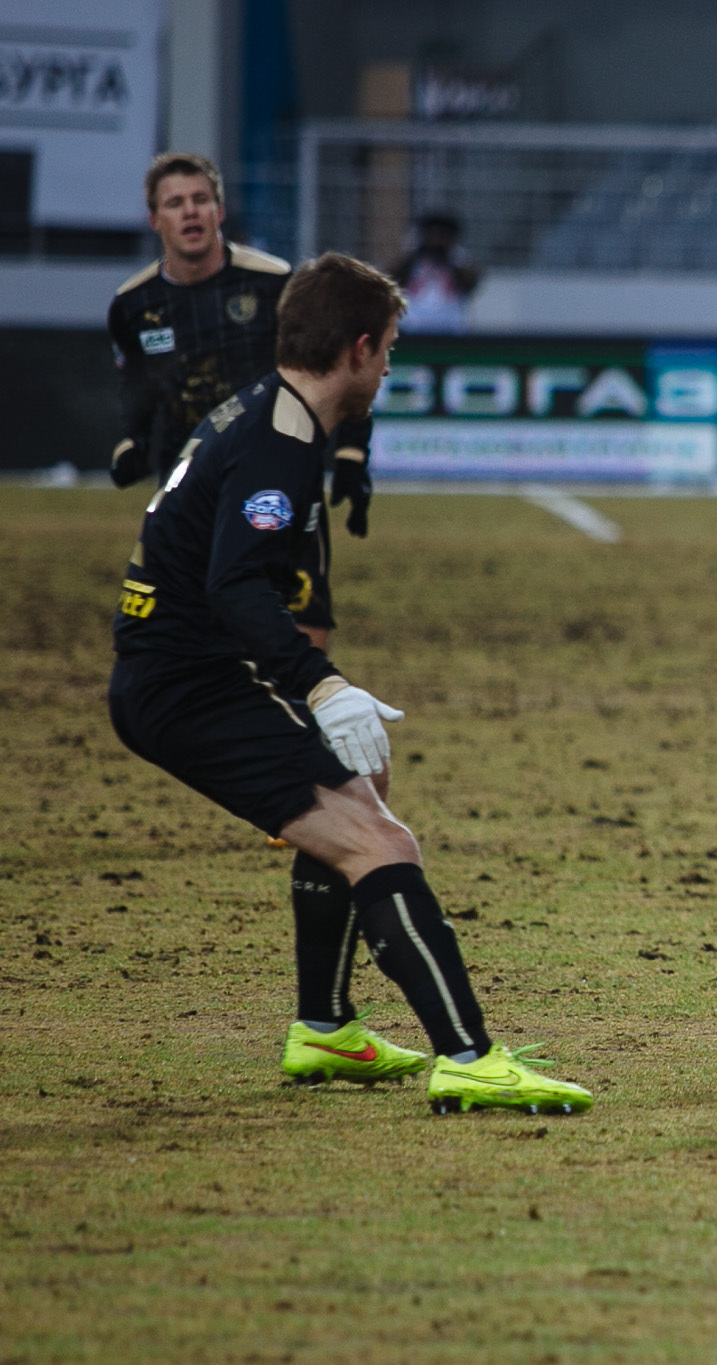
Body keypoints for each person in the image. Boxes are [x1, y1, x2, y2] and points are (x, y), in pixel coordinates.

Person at [107, 252, 591, 1116]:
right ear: (360, 348)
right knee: (383, 842)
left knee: (366, 780)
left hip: (184, 673)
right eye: (392, 347)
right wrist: (321, 685)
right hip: (183, 688)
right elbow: (233, 584)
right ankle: (470, 1056)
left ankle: (326, 1028)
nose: (393, 365)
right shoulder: (278, 442)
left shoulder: (271, 413)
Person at [107, 151, 375, 656]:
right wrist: (132, 440)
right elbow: (135, 388)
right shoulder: (132, 305)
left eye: (201, 200)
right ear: (154, 219)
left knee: (302, 615)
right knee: (194, 625)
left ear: (219, 211)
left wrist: (351, 452)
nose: (191, 212)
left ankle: (302, 713)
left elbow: (339, 364)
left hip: (279, 474)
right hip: (190, 484)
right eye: (176, 203)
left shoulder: (275, 283)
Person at [387, 212, 480, 334]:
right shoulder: (412, 258)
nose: (436, 240)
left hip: (449, 329)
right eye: (432, 234)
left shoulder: (459, 258)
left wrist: (449, 258)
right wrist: (413, 255)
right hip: (412, 329)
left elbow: (471, 283)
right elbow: (390, 280)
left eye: (442, 235)